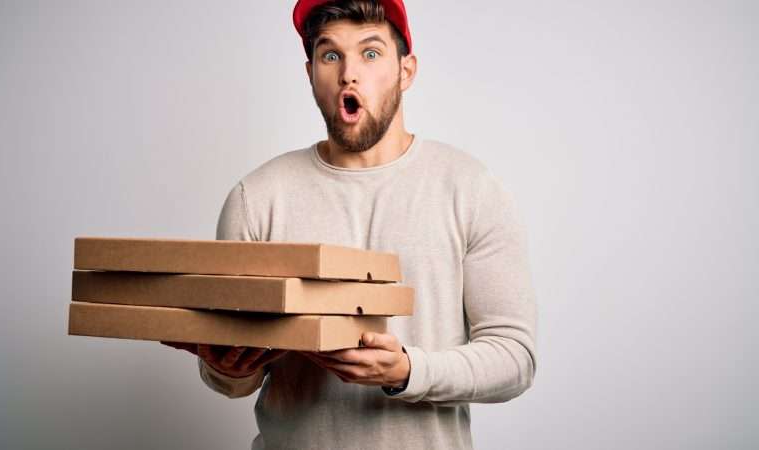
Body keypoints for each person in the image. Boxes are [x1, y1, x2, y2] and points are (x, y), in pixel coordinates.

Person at [164, 1, 537, 448]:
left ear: (407, 71)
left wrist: (409, 371)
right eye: (330, 55)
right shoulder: (256, 197)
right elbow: (231, 377)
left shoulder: (470, 188)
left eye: (371, 53)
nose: (348, 74)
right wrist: (228, 369)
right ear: (310, 74)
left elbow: (515, 357)